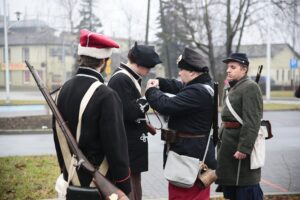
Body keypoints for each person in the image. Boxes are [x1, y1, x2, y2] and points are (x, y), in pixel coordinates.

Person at [52, 29, 131, 199]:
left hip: (69, 177)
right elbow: (116, 146)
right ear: (104, 61)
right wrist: (124, 185)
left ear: (81, 57)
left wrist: (66, 169)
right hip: (101, 183)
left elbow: (58, 138)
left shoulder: (61, 91)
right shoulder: (107, 95)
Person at [145, 47, 217, 200]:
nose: (179, 73)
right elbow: (180, 87)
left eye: (182, 69)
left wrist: (151, 91)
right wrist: (160, 82)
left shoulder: (197, 92)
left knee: (183, 195)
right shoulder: (204, 86)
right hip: (196, 154)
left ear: (191, 72)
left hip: (189, 159)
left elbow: (167, 105)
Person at [108, 42, 162, 200]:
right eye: (148, 67)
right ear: (138, 64)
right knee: (130, 188)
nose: (149, 71)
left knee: (135, 184)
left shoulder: (129, 77)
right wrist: (149, 97)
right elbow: (130, 111)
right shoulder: (120, 79)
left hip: (132, 145)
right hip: (127, 146)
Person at [216, 53, 264, 200]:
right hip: (228, 145)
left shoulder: (250, 87)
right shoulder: (234, 87)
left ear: (244, 70)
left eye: (233, 67)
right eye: (228, 67)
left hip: (239, 147)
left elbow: (252, 121)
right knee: (233, 189)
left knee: (246, 187)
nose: (228, 70)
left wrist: (244, 147)